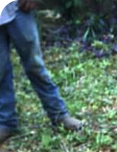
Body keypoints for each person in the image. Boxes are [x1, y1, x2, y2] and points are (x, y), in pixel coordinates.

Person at [0, 0, 82, 144]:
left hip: (17, 7)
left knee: (35, 65)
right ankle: (6, 122)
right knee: (1, 70)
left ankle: (59, 115)